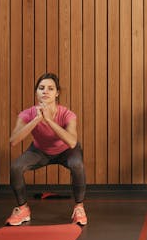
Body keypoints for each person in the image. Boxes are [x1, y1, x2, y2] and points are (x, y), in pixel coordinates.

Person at [7, 72, 88, 226]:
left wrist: (49, 121)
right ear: (36, 92)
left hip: (67, 151)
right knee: (16, 167)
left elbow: (71, 142)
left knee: (77, 165)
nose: (45, 91)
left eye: (50, 88)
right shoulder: (27, 113)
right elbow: (13, 141)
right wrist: (37, 119)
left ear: (57, 93)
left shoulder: (67, 114)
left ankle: (79, 208)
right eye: (41, 88)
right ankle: (22, 209)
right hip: (40, 151)